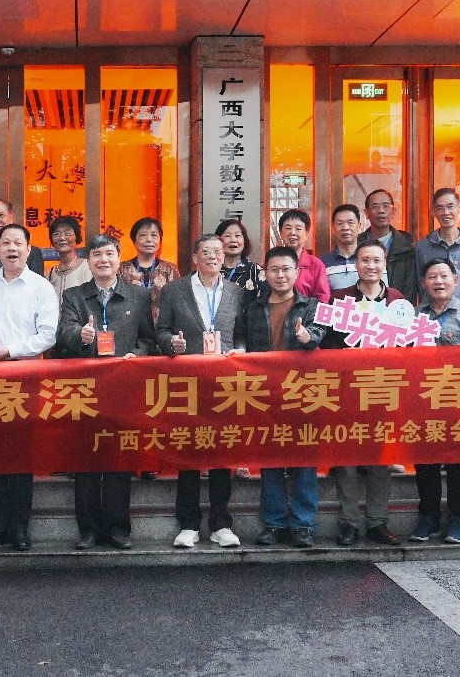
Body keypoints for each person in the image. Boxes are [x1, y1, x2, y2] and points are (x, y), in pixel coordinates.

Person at [57, 234, 156, 550]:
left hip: (123, 386)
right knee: (86, 458)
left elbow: (148, 340)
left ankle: (117, 529)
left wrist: (135, 356)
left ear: (119, 258)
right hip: (85, 387)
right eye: (97, 254)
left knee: (119, 458)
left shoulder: (138, 296)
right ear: (88, 261)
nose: (103, 260)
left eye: (109, 254)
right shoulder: (74, 295)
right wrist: (82, 335)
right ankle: (87, 530)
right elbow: (64, 333)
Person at [0, 224, 59, 551]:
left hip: (25, 375)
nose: (12, 248)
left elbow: (48, 335)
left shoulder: (41, 287)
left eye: (18, 243)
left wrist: (10, 350)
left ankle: (19, 527)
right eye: (6, 243)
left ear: (29, 249)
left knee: (20, 453)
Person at [155, 234, 246, 549]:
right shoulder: (174, 290)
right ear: (195, 257)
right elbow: (161, 331)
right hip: (188, 380)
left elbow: (242, 334)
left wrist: (240, 353)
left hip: (225, 382)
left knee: (222, 451)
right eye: (206, 251)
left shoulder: (236, 292)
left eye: (217, 251)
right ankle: (188, 524)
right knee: (189, 450)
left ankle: (221, 523)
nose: (213, 256)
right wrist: (172, 344)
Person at [246, 246, 326, 550]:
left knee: (304, 458)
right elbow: (242, 338)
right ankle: (274, 522)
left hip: (302, 391)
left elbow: (318, 333)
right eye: (274, 270)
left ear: (297, 272)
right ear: (265, 273)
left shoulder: (312, 305)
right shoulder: (253, 307)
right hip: (265, 392)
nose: (280, 275)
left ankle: (303, 524)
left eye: (286, 269)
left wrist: (307, 338)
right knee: (271, 459)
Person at [324, 239, 403, 546]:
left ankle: (377, 522)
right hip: (348, 389)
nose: (371, 266)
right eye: (365, 260)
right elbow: (327, 344)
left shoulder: (397, 301)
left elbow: (408, 346)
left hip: (384, 389)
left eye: (376, 260)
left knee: (380, 458)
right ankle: (348, 522)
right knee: (347, 458)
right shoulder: (339, 299)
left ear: (385, 265)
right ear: (356, 265)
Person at [410, 257, 460, 545]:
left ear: (456, 280)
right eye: (432, 277)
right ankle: (428, 516)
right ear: (424, 283)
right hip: (422, 400)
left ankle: (457, 519)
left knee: (458, 463)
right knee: (425, 461)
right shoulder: (413, 316)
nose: (438, 281)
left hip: (457, 400)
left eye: (444, 276)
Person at [415, 187, 460, 308]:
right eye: (440, 208)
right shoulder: (423, 247)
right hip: (433, 315)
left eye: (450, 206)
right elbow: (420, 285)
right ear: (433, 212)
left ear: (459, 209)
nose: (446, 212)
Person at [359, 188, 418, 304]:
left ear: (393, 211)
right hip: (363, 308)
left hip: (397, 309)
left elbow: (410, 289)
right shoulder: (357, 245)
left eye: (386, 206)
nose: (381, 211)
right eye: (375, 207)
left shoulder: (406, 248)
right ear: (366, 213)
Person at [117, 216, 180, 322]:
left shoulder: (170, 269)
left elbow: (177, 301)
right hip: (131, 325)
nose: (149, 240)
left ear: (160, 240)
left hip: (163, 326)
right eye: (143, 235)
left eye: (154, 235)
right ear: (134, 241)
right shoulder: (121, 269)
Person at [277, 209, 330, 303]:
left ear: (306, 233)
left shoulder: (316, 265)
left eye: (298, 229)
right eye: (288, 228)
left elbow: (322, 298)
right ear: (281, 233)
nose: (293, 233)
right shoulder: (272, 262)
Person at [46, 215, 92, 300]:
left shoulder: (88, 268)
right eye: (56, 234)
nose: (62, 238)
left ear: (76, 237)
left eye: (67, 233)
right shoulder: (49, 274)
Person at [320, 204, 361, 292]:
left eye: (350, 223)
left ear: (359, 226)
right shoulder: (323, 262)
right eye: (340, 223)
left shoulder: (369, 258)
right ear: (333, 228)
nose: (345, 228)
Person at [215, 218, 258, 289]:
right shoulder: (212, 268)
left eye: (237, 235)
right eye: (228, 236)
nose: (233, 240)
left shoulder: (255, 270)